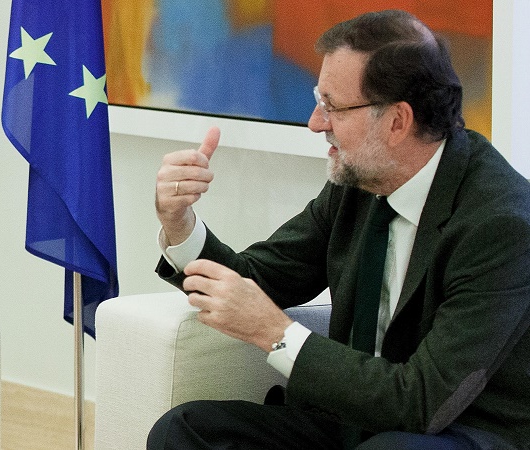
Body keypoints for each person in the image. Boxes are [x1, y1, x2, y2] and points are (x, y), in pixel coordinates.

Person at [149, 10, 530, 450]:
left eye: (333, 106)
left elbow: (423, 402)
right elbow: (256, 281)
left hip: (454, 432)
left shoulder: (500, 225)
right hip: (352, 420)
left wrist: (277, 334)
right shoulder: (359, 185)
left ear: (397, 121)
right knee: (184, 429)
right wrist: (179, 222)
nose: (315, 122)